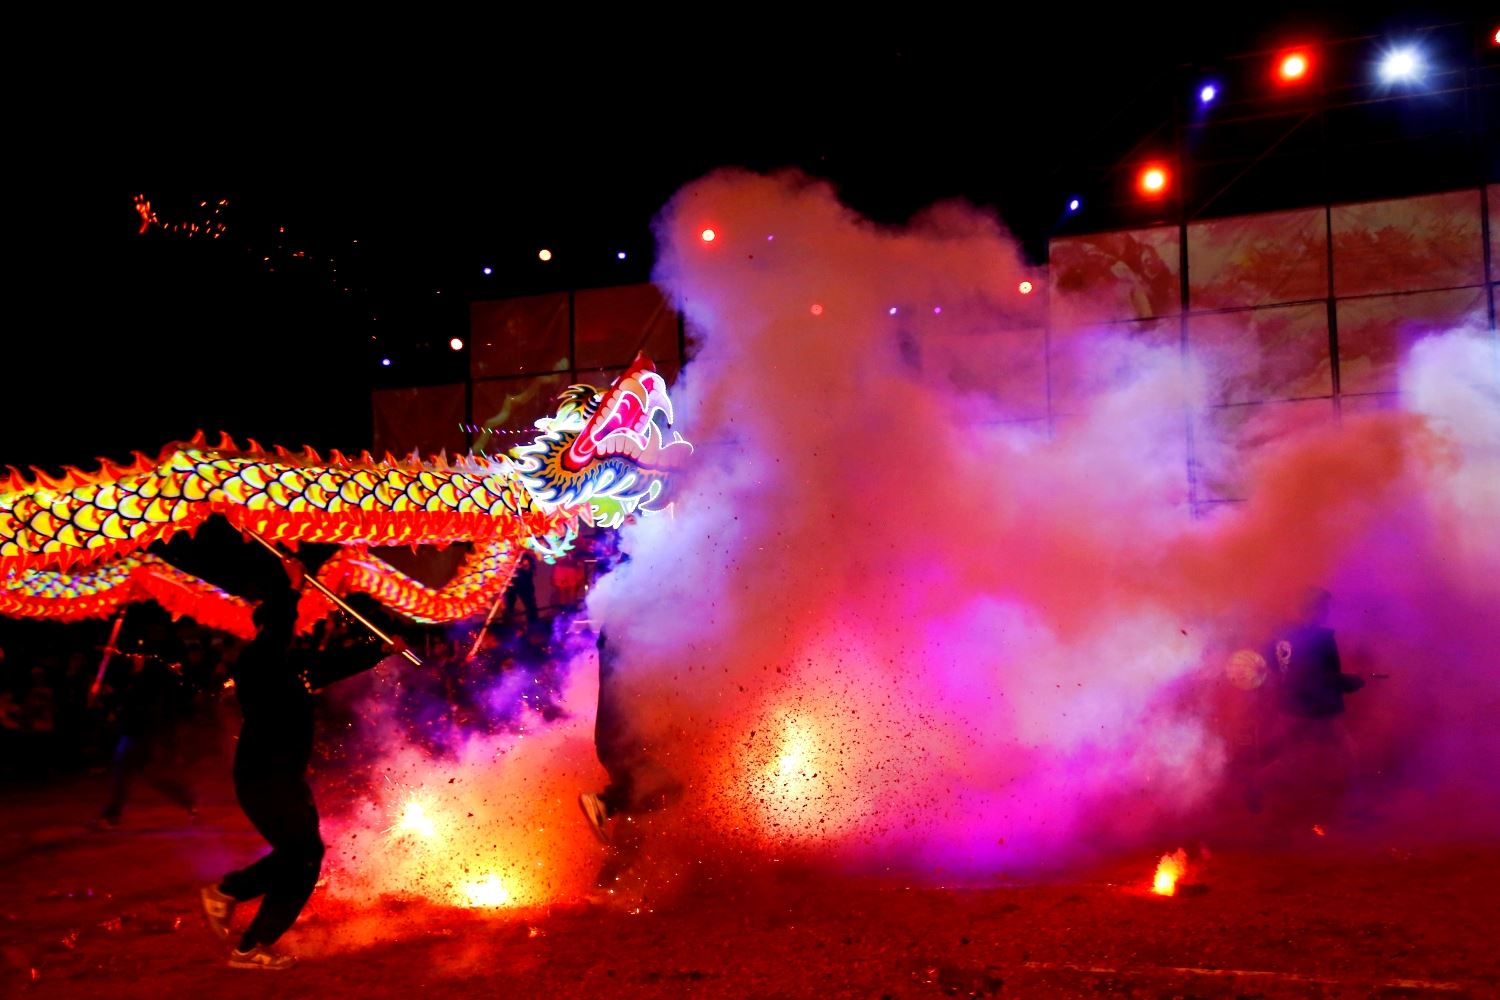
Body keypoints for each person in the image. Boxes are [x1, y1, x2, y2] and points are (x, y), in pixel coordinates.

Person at [199, 547, 405, 970]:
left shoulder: (291, 668)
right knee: (301, 852)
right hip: (262, 776)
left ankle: (251, 943)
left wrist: (382, 651)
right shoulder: (257, 661)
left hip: (286, 778)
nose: (293, 634)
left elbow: (330, 666)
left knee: (305, 858)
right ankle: (229, 893)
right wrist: (291, 588)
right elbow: (277, 630)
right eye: (285, 628)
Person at [1260, 586, 1366, 823]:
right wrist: (1354, 682)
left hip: (1290, 706)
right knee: (1346, 757)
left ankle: (1259, 787)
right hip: (1316, 711)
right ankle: (1353, 810)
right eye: (1324, 607)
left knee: (1292, 758)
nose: (1327, 612)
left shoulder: (1282, 635)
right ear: (1315, 608)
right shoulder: (1321, 639)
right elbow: (1327, 677)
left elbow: (1273, 665)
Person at [502, 550, 540, 633]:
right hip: (510, 578)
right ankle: (508, 628)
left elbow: (528, 566)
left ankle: (533, 628)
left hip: (524, 579)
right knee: (509, 604)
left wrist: (526, 564)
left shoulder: (525, 553)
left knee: (529, 603)